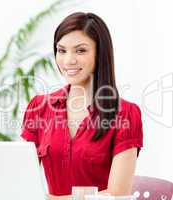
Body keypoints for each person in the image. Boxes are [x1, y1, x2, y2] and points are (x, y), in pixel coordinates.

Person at [21, 12, 143, 200]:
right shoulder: (39, 107)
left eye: (80, 50)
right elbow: (22, 180)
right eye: (61, 50)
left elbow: (117, 194)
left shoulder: (125, 114)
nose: (68, 60)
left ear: (100, 53)